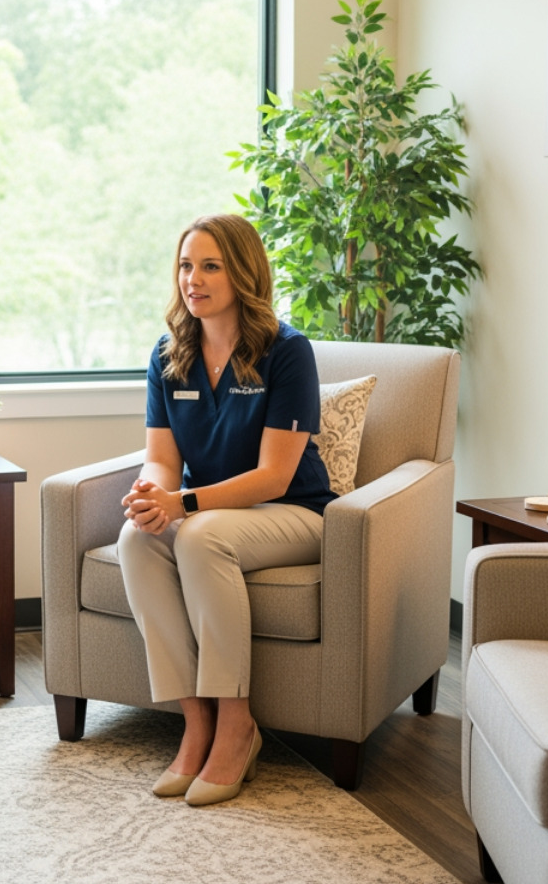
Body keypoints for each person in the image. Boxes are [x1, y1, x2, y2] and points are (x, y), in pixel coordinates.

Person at [119, 213, 335, 806]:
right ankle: (196, 722)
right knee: (136, 540)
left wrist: (182, 504)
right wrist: (148, 494)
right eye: (186, 265)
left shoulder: (287, 351)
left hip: (294, 514)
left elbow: (275, 474)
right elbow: (161, 458)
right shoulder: (169, 353)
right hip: (211, 513)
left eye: (210, 265)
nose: (194, 279)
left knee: (199, 536)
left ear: (243, 272)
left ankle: (238, 724)